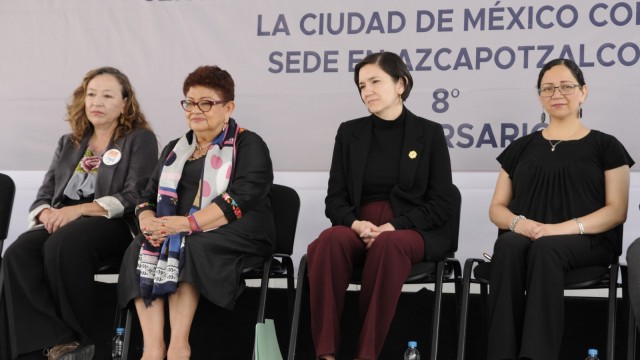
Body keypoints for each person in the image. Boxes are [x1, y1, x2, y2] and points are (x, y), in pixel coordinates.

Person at [117, 65, 275, 360]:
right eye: (189, 102)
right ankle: (152, 349)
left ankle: (179, 347)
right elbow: (146, 197)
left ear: (228, 107)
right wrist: (148, 221)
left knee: (187, 243)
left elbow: (240, 198)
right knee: (140, 245)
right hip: (180, 228)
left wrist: (187, 224)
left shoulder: (248, 144)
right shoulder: (177, 148)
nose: (195, 110)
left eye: (206, 103)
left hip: (241, 231)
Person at [0, 67, 158, 360]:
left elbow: (136, 195)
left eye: (107, 96)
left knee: (64, 244)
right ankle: (48, 344)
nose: (97, 102)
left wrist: (79, 211)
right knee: (17, 254)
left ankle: (76, 340)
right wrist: (46, 213)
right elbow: (45, 194)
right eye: (92, 95)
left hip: (112, 221)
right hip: (64, 220)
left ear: (125, 103)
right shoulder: (69, 142)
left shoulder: (139, 139)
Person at [306, 51, 455, 360]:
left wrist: (394, 226)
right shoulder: (350, 133)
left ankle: (367, 354)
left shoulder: (428, 133)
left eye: (375, 81)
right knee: (328, 241)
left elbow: (442, 202)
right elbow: (335, 200)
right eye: (362, 86)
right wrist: (355, 224)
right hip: (361, 226)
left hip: (411, 229)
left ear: (401, 84)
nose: (367, 91)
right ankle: (326, 353)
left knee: (389, 245)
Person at [486, 58, 634, 360]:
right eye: (548, 88)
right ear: (540, 96)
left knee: (546, 249)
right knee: (509, 245)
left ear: (583, 92)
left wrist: (557, 230)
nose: (557, 94)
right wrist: (520, 224)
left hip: (587, 241)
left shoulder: (607, 146)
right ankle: (500, 354)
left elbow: (617, 211)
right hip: (529, 235)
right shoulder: (521, 147)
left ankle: (535, 356)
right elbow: (497, 208)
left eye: (567, 86)